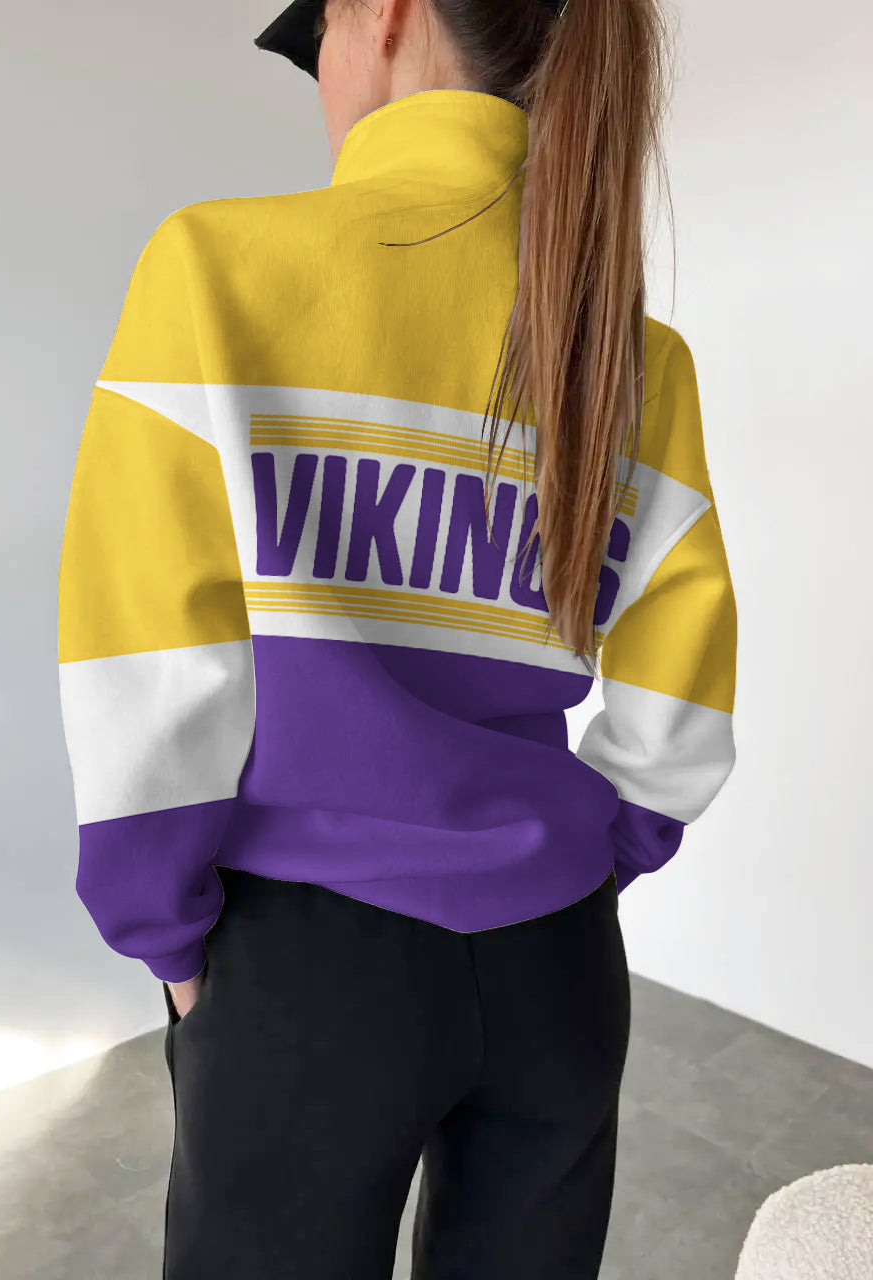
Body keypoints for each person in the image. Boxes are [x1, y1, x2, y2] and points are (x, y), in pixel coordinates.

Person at [56, 0, 738, 1275]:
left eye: (315, 35)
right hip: (559, 959)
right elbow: (681, 691)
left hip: (304, 970)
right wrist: (602, 855)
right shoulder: (637, 354)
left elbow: (147, 663)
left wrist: (165, 935)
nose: (318, 71)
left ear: (382, 14)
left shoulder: (213, 266)